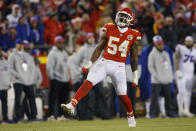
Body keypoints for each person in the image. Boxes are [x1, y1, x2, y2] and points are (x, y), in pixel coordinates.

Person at [61, 8, 141, 127]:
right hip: (105, 62)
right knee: (89, 81)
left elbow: (134, 57)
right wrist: (89, 64)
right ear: (117, 16)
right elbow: (98, 48)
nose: (122, 19)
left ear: (130, 20)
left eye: (125, 17)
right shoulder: (109, 28)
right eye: (121, 16)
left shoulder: (133, 34)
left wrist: (135, 77)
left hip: (119, 67)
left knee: (122, 94)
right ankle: (72, 105)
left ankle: (130, 115)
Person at [8, 38, 37, 122]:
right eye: (19, 44)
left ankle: (33, 116)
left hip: (28, 81)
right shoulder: (12, 55)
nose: (20, 45)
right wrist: (19, 76)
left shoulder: (27, 55)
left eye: (21, 44)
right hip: (18, 81)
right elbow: (10, 69)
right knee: (18, 99)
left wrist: (31, 78)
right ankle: (18, 117)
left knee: (32, 98)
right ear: (16, 44)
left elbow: (32, 68)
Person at [148, 35, 174, 118]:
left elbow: (169, 66)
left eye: (162, 44)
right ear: (155, 44)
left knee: (168, 98)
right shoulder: (152, 54)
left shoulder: (166, 53)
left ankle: (169, 113)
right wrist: (156, 76)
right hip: (157, 81)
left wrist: (170, 77)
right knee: (154, 98)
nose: (161, 45)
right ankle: (152, 113)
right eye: (159, 44)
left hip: (166, 79)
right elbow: (150, 66)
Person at [47, 36, 71, 121]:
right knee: (53, 98)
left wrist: (68, 77)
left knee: (63, 99)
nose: (61, 44)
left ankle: (61, 116)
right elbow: (49, 66)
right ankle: (51, 116)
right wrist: (52, 77)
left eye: (62, 42)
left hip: (65, 79)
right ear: (56, 43)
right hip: (56, 79)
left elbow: (67, 66)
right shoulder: (52, 53)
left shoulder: (64, 53)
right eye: (60, 42)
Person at [175, 36, 196, 117]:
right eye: (187, 41)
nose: (189, 43)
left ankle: (186, 110)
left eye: (190, 41)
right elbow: (176, 58)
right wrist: (177, 70)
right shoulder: (181, 48)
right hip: (181, 73)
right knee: (181, 92)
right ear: (185, 42)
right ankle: (180, 110)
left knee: (188, 93)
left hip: (190, 74)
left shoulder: (194, 51)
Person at [0, 47, 11, 123]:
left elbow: (8, 73)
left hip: (4, 86)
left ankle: (5, 118)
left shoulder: (5, 61)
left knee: (4, 103)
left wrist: (8, 82)